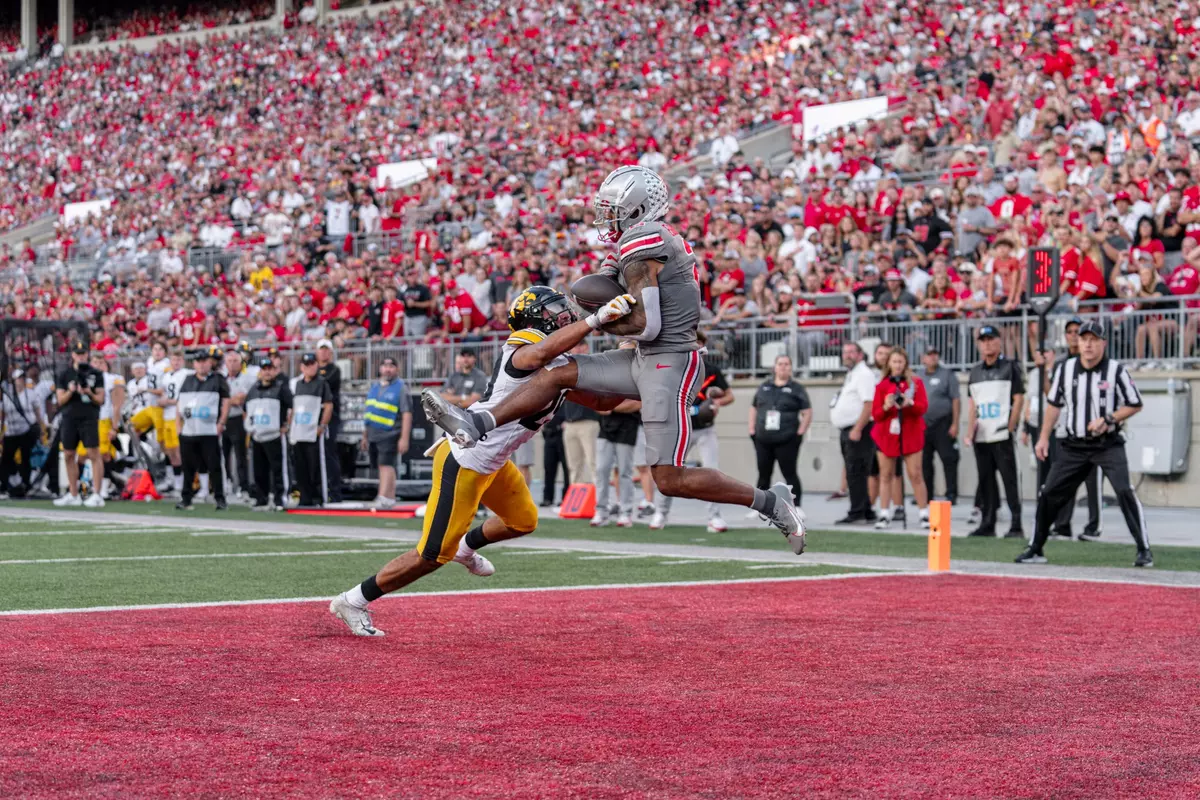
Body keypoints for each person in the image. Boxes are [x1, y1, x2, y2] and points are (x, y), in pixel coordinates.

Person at [423, 166, 805, 554]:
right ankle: (478, 422)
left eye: (612, 210)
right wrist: (599, 299)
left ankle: (769, 501)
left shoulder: (644, 239)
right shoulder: (633, 243)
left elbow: (647, 325)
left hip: (670, 362)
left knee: (669, 479)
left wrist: (600, 318)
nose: (605, 217)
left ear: (637, 209)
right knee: (558, 372)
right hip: (643, 356)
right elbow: (608, 296)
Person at [331, 285, 637, 636]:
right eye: (553, 309)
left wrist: (633, 360)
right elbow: (539, 354)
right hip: (467, 458)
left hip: (495, 459)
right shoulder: (525, 345)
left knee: (522, 521)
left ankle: (465, 548)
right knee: (431, 555)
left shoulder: (559, 363)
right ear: (534, 318)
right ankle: (353, 600)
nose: (564, 313)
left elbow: (602, 402)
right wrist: (596, 320)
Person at [1016, 322, 1152, 567]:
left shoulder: (1115, 370)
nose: (1088, 344)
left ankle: (1144, 549)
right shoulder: (1065, 369)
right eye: (1084, 339)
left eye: (1094, 339)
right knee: (1048, 492)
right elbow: (1054, 405)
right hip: (1074, 446)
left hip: (1107, 444)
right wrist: (1044, 437)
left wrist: (1108, 419)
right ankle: (1036, 547)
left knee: (1124, 491)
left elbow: (1135, 403)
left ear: (1103, 343)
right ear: (1077, 343)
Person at [651, 333, 734, 532]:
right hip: (680, 430)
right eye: (691, 342)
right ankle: (661, 512)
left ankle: (714, 517)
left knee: (712, 472)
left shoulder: (712, 370)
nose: (695, 346)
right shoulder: (674, 369)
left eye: (699, 343)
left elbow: (729, 396)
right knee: (668, 471)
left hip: (705, 429)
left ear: (704, 346)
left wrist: (717, 403)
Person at [965, 325, 1025, 537]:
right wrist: (969, 431)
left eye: (991, 339)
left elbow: (1018, 398)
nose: (987, 344)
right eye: (983, 340)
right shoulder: (975, 371)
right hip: (982, 434)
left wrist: (1011, 425)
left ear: (999, 341)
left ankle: (1016, 523)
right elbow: (973, 404)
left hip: (1001, 433)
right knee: (986, 480)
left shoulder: (1010, 367)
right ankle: (988, 522)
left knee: (1010, 480)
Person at [871, 348, 930, 528]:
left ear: (905, 363)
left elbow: (923, 407)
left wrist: (909, 402)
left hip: (910, 432)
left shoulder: (915, 383)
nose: (897, 365)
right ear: (889, 363)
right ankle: (884, 513)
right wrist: (886, 405)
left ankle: (923, 513)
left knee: (915, 473)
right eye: (894, 361)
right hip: (887, 435)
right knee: (886, 475)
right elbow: (876, 414)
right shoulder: (882, 386)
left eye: (900, 362)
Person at [749, 354, 811, 512]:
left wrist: (800, 433)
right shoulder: (764, 386)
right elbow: (754, 408)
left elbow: (807, 412)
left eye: (786, 364)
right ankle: (760, 507)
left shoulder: (797, 388)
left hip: (787, 439)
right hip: (763, 439)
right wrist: (752, 430)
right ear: (774, 367)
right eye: (780, 364)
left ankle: (797, 507)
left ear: (791, 368)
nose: (783, 367)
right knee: (763, 474)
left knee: (790, 473)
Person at [175, 346, 231, 511]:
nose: (201, 364)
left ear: (210, 362)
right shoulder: (187, 380)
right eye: (198, 361)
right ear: (194, 364)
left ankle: (220, 498)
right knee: (188, 467)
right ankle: (186, 498)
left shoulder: (217, 379)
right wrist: (178, 426)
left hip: (208, 431)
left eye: (204, 361)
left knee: (214, 466)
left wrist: (221, 423)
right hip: (189, 430)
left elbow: (226, 402)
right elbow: (179, 404)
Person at [53, 341, 106, 508]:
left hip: (89, 417)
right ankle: (73, 493)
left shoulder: (96, 373)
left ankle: (97, 494)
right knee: (68, 454)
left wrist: (88, 392)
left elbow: (100, 399)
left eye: (83, 354)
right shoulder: (65, 374)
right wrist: (71, 390)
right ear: (73, 355)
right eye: (78, 354)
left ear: (87, 355)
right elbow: (60, 400)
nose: (81, 357)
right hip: (69, 417)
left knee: (93, 453)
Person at [831, 342, 879, 524]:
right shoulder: (853, 374)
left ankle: (857, 512)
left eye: (851, 352)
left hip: (858, 429)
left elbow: (869, 403)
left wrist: (858, 428)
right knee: (855, 471)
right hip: (850, 429)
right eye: (845, 352)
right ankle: (866, 510)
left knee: (856, 472)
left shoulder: (864, 374)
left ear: (860, 354)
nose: (847, 355)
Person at [361, 356, 413, 509]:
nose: (387, 369)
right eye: (385, 366)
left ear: (397, 369)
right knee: (381, 465)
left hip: (390, 432)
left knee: (386, 465)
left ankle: (382, 496)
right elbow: (368, 413)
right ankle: (389, 497)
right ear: (380, 368)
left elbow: (407, 413)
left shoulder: (401, 387)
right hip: (373, 433)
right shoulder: (375, 387)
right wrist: (365, 436)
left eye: (391, 366)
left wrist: (404, 438)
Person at [245, 356, 293, 510]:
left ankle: (281, 499)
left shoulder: (281, 388)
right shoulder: (253, 389)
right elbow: (246, 410)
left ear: (274, 371)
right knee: (259, 470)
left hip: (274, 435)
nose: (267, 372)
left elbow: (293, 407)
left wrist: (287, 425)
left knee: (279, 470)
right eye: (264, 369)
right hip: (257, 435)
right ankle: (262, 499)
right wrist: (249, 427)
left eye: (269, 369)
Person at [291, 352, 334, 508]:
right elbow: (294, 408)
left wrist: (322, 425)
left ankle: (318, 497)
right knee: (300, 466)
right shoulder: (297, 384)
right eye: (307, 365)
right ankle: (304, 496)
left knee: (315, 465)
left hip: (313, 431)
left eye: (312, 364)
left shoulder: (322, 383)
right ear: (302, 367)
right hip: (299, 430)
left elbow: (328, 405)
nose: (310, 368)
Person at [920, 347, 960, 504]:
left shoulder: (947, 374)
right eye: (929, 355)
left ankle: (951, 494)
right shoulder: (918, 376)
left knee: (949, 459)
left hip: (943, 423)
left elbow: (956, 399)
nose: (933, 357)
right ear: (923, 358)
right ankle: (926, 494)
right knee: (924, 462)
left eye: (935, 355)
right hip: (923, 425)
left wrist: (955, 423)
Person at [83, 353, 125, 499]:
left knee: (102, 454)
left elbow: (117, 405)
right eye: (95, 362)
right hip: (87, 420)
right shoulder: (85, 377)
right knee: (83, 455)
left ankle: (104, 487)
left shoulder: (112, 379)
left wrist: (114, 426)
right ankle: (86, 485)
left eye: (101, 362)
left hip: (103, 420)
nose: (98, 365)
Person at [1, 367, 46, 497]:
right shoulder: (7, 395)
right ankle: (7, 484)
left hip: (26, 429)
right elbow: (2, 415)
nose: (20, 380)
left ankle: (26, 484)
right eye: (18, 378)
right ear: (14, 380)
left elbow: (37, 413)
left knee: (26, 457)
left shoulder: (30, 394)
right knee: (6, 458)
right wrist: (2, 431)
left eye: (22, 378)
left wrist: (42, 429)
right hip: (11, 431)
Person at [592, 403, 639, 528]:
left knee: (625, 472)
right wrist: (601, 407)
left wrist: (611, 407)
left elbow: (638, 404)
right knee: (601, 469)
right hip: (605, 427)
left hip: (627, 428)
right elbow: (597, 402)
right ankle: (601, 512)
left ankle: (626, 512)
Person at [221, 349, 258, 498]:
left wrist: (227, 401)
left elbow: (242, 399)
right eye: (229, 361)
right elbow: (225, 400)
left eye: (235, 361)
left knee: (240, 455)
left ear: (241, 363)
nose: (232, 364)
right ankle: (227, 482)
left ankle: (244, 486)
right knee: (223, 454)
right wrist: (231, 400)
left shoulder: (247, 378)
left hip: (239, 419)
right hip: (223, 419)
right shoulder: (222, 379)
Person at [315, 339, 344, 503]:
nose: (324, 352)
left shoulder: (334, 370)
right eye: (321, 349)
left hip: (330, 417)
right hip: (314, 416)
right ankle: (318, 489)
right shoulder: (314, 370)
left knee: (329, 453)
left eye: (327, 349)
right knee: (314, 454)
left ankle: (334, 491)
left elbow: (321, 384)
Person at [159, 351, 191, 496]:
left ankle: (186, 483)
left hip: (179, 416)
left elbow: (186, 395)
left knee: (180, 452)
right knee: (171, 452)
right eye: (173, 360)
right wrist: (162, 401)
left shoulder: (187, 374)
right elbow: (163, 393)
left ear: (183, 361)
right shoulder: (166, 376)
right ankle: (177, 483)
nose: (176, 362)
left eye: (178, 359)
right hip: (167, 416)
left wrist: (172, 401)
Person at [540, 404, 569, 507]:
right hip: (549, 433)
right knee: (549, 467)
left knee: (567, 468)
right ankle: (548, 498)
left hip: (563, 433)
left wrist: (568, 420)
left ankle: (566, 498)